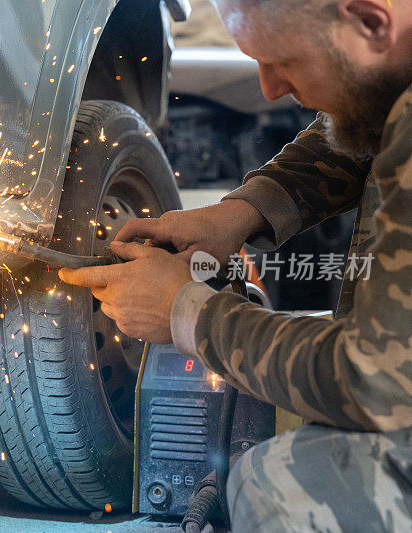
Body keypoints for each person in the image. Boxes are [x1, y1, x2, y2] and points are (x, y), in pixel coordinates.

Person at [59, 0, 412, 530]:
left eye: (284, 62)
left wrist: (187, 312)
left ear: (371, 21)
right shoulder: (393, 67)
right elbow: (365, 126)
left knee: (279, 484)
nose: (269, 90)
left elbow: (376, 382)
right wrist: (240, 214)